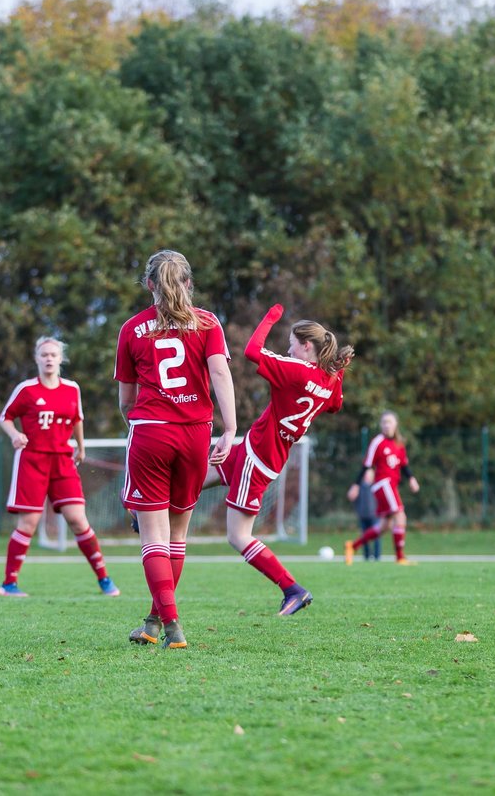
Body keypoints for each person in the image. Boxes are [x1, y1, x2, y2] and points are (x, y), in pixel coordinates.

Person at [116, 249, 236, 650]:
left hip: (151, 431)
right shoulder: (207, 322)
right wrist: (230, 427)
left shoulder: (132, 328)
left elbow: (125, 399)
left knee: (152, 534)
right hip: (195, 433)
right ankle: (153, 622)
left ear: (149, 284)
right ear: (188, 282)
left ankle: (173, 628)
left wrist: (134, 423)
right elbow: (219, 371)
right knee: (178, 535)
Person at [203, 305, 352, 615]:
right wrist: (336, 374)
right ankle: (148, 511)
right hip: (257, 450)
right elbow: (336, 405)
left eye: (291, 344)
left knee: (238, 536)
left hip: (257, 458)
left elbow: (252, 350)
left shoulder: (297, 371)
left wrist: (270, 317)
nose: (288, 350)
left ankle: (292, 589)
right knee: (199, 474)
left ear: (306, 346)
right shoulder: (330, 380)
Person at [0, 336, 118, 598]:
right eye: (44, 355)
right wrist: (14, 435)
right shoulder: (26, 390)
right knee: (28, 523)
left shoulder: (72, 389)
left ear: (61, 359)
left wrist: (81, 447)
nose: (49, 358)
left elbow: (77, 419)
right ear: (37, 359)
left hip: (63, 461)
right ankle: (9, 585)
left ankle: (104, 579)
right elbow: (5, 417)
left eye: (53, 354)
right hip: (32, 460)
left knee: (78, 520)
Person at [345, 411, 420, 565]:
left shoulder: (399, 444)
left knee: (384, 526)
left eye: (389, 422)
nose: (387, 425)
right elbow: (366, 465)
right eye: (384, 422)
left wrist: (411, 479)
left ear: (396, 424)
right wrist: (356, 485)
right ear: (381, 425)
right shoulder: (377, 442)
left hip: (391, 485)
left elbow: (404, 465)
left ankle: (353, 546)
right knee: (400, 516)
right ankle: (400, 557)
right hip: (382, 484)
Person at [354, 469, 382, 561]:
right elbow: (352, 496)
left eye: (369, 474)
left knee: (376, 536)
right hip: (363, 516)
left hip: (375, 516)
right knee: (364, 536)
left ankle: (377, 556)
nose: (367, 476)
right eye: (366, 474)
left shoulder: (376, 486)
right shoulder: (359, 486)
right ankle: (366, 556)